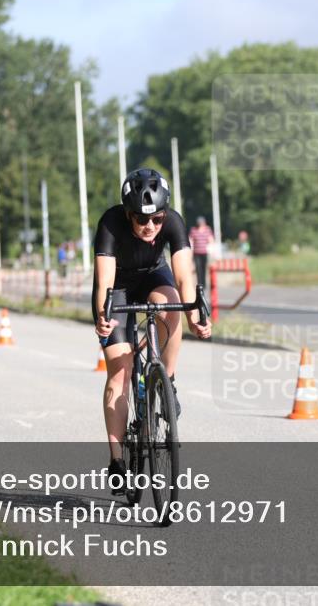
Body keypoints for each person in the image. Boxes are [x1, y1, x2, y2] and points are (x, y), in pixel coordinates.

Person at [92, 168, 212, 491]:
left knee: (172, 306)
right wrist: (102, 315)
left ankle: (166, 381)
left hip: (152, 276)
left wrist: (193, 316)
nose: (150, 227)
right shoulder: (110, 224)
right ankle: (117, 460)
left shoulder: (173, 222)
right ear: (129, 215)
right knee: (120, 370)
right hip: (117, 288)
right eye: (142, 220)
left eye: (156, 219)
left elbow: (185, 276)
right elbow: (103, 281)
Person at [188, 215, 213, 288]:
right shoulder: (193, 230)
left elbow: (211, 239)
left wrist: (212, 247)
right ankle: (200, 284)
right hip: (196, 253)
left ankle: (204, 284)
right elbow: (191, 240)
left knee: (204, 268)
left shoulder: (208, 229)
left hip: (204, 253)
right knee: (198, 269)